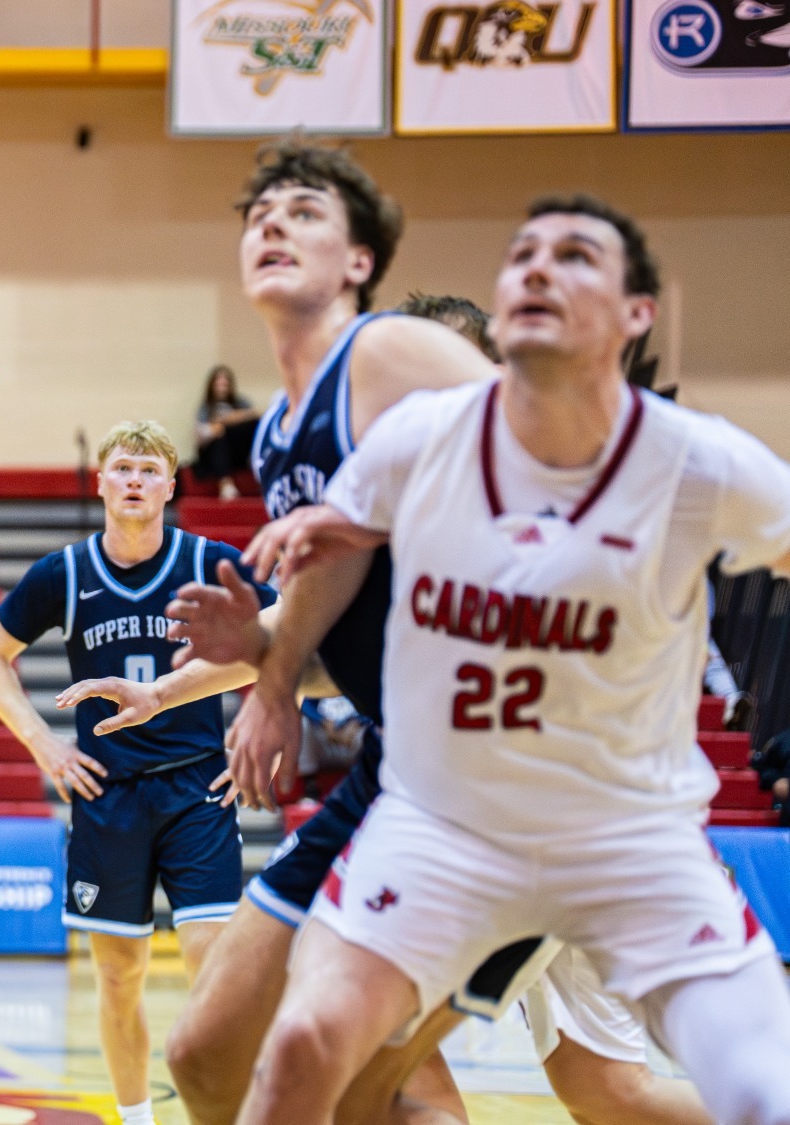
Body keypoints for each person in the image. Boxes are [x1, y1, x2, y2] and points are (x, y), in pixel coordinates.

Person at [76, 286, 718, 1125]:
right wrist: (179, 689)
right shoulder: (388, 510)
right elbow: (302, 644)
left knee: (360, 1071)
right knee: (604, 1090)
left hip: (536, 814)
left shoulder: (522, 509)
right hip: (477, 806)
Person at [233, 195, 790, 1125]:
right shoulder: (416, 441)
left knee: (746, 1090)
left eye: (573, 256)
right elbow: (327, 575)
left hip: (625, 832)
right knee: (303, 1050)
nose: (536, 266)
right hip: (452, 825)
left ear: (636, 313)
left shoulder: (698, 462)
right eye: (521, 251)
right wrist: (268, 665)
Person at [64, 139, 493, 1125]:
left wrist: (346, 533)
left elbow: (553, 445)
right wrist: (213, 680)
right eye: (258, 212)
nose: (269, 222)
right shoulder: (273, 433)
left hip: (489, 762)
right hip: (400, 768)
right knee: (210, 1056)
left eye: (303, 210)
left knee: (341, 1071)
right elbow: (315, 610)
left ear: (357, 262)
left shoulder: (385, 353)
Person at [0, 419, 272, 1125]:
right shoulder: (64, 574)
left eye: (148, 469)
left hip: (197, 785)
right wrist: (44, 743)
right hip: (109, 797)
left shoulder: (208, 563)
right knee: (117, 974)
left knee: (212, 963)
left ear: (169, 485)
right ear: (101, 481)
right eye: (123, 468)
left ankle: (227, 1113)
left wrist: (261, 718)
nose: (134, 480)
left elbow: (285, 633)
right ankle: (136, 1118)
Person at [192, 365, 259, 497]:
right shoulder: (206, 407)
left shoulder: (240, 402)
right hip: (211, 453)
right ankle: (226, 483)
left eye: (225, 383)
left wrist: (229, 419)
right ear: (212, 385)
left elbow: (255, 415)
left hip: (236, 451)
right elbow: (201, 434)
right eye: (218, 383)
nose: (222, 386)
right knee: (220, 435)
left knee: (250, 425)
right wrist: (221, 426)